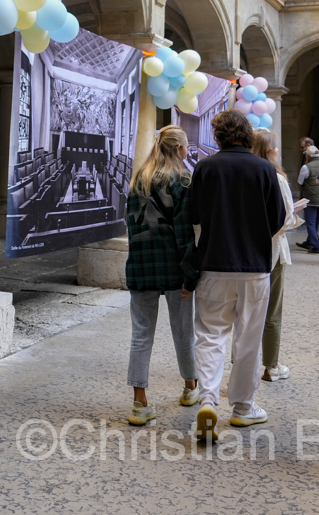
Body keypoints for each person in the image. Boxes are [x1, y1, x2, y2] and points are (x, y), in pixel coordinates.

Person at [188, 110, 286, 440]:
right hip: (255, 267)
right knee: (248, 339)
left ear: (216, 135)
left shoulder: (205, 167)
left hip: (214, 263)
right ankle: (243, 407)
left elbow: (194, 216)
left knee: (210, 335)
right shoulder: (264, 169)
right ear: (248, 134)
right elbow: (278, 218)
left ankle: (208, 401)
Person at [124, 126, 199, 426]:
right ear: (179, 148)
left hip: (141, 266)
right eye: (186, 146)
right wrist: (190, 274)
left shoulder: (138, 180)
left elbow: (131, 228)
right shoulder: (182, 180)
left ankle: (139, 403)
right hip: (173, 268)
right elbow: (184, 234)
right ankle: (189, 387)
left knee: (141, 334)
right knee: (184, 332)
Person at [250, 129, 301, 381]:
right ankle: (271, 366)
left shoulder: (246, 172)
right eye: (276, 146)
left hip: (246, 251)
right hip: (272, 251)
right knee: (272, 310)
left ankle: (243, 364)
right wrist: (296, 217)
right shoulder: (277, 177)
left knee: (247, 311)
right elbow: (284, 219)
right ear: (270, 149)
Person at [296, 145, 319, 254]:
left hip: (310, 199)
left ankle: (316, 246)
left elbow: (300, 182)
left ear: (308, 156)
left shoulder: (306, 167)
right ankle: (310, 241)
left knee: (310, 223)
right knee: (316, 222)